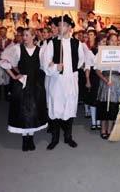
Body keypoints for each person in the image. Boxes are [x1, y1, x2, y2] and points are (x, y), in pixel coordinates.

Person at [0, 28, 47, 151]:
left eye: (26, 35)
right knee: (22, 111)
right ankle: (25, 139)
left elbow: (45, 66)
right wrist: (15, 75)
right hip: (22, 84)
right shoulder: (17, 49)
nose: (24, 37)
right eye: (23, 35)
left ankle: (30, 137)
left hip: (35, 85)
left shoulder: (40, 51)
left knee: (33, 112)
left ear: (33, 36)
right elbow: (4, 61)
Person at [42, 15, 85, 150]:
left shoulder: (77, 44)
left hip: (71, 81)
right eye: (59, 25)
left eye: (64, 25)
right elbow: (45, 63)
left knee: (70, 106)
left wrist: (70, 70)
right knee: (56, 108)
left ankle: (68, 136)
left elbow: (80, 61)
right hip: (57, 81)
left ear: (70, 28)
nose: (60, 27)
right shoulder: (52, 43)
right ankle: (54, 138)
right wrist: (55, 67)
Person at [94, 34, 120, 139]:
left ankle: (110, 129)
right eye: (112, 40)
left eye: (116, 41)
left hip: (116, 83)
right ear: (108, 41)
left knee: (113, 107)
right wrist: (105, 80)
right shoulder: (101, 53)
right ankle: (103, 129)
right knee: (104, 106)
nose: (114, 43)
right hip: (105, 81)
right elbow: (97, 70)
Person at [84, 30, 101, 130]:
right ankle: (94, 122)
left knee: (100, 102)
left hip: (103, 77)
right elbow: (87, 66)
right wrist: (87, 80)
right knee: (94, 101)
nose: (102, 44)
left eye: (104, 42)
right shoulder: (90, 52)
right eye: (101, 42)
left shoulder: (107, 53)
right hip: (94, 77)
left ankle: (99, 121)